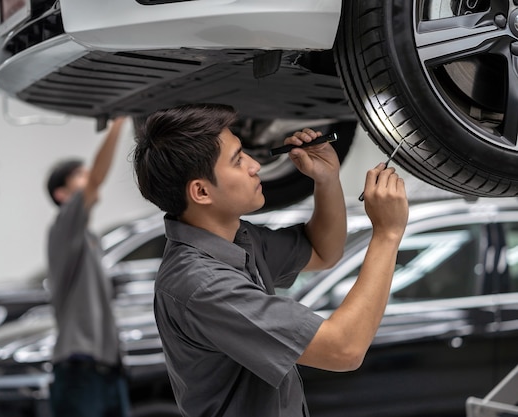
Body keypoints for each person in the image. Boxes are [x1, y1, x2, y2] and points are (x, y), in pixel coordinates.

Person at [132, 103, 409, 417]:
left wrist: (326, 180)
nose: (255, 165)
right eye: (238, 160)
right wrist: (387, 234)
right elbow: (344, 349)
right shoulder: (203, 285)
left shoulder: (237, 240)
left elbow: (322, 252)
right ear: (201, 191)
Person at [46, 116, 130, 417]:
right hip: (80, 370)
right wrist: (119, 123)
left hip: (108, 369)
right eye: (80, 175)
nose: (89, 179)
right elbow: (96, 181)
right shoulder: (63, 229)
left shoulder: (89, 238)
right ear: (62, 195)